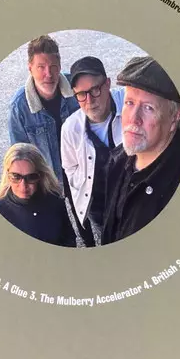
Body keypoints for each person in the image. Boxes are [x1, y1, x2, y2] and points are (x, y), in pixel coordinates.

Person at [102, 56, 180, 245]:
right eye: (129, 103)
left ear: (175, 116)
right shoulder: (116, 161)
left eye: (148, 108)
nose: (134, 118)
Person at [60, 56, 125, 246]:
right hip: (99, 208)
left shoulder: (129, 106)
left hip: (133, 201)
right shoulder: (70, 128)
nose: (89, 101)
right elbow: (70, 167)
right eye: (81, 94)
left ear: (107, 84)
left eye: (95, 90)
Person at [8, 35, 79, 184]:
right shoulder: (19, 107)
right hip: (48, 183)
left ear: (59, 66)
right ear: (30, 68)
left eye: (53, 66)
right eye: (41, 67)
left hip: (81, 174)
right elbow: (19, 157)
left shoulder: (77, 87)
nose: (49, 74)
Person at [0, 143, 76, 247]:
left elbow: (69, 237)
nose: (23, 186)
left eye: (31, 177)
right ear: (7, 175)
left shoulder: (55, 200)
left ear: (41, 175)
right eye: (16, 177)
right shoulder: (0, 211)